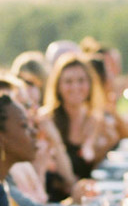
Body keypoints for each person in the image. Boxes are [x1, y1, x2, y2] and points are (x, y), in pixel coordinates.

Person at [42, 55, 113, 192]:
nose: (75, 87)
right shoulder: (46, 120)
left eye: (81, 81)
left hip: (86, 196)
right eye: (68, 81)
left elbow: (92, 168)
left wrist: (107, 146)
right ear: (58, 86)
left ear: (90, 84)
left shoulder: (94, 120)